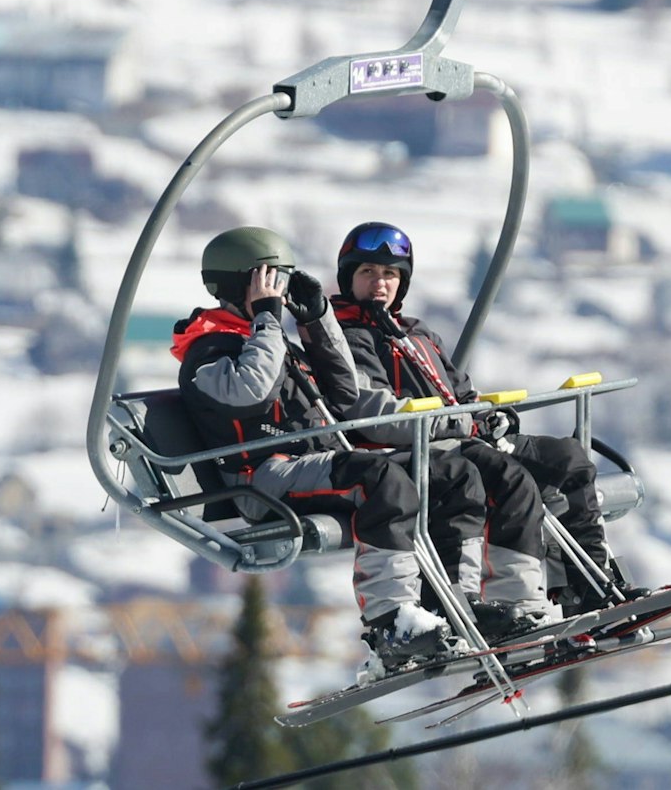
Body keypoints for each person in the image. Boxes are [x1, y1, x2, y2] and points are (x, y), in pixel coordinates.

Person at [174, 226, 481, 673]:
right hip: (264, 478)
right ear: (242, 284)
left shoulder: (271, 340)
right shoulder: (209, 349)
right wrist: (267, 319)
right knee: (380, 481)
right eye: (269, 281)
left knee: (450, 472)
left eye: (281, 282)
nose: (277, 292)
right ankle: (392, 622)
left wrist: (317, 317)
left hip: (311, 463)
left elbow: (341, 389)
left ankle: (456, 603)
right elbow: (250, 392)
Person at [330, 221, 646, 616]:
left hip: (459, 434)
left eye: (390, 274)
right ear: (349, 278)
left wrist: (486, 414)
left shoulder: (415, 333)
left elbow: (459, 390)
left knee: (567, 460)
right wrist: (456, 422)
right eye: (368, 272)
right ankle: (511, 601)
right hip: (415, 446)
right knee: (507, 479)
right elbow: (372, 412)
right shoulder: (343, 337)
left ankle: (588, 585)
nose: (380, 283)